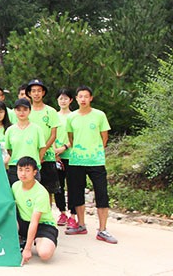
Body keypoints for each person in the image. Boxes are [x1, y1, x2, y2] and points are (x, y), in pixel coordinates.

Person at [65, 86, 117, 244]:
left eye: (86, 96)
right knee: (77, 193)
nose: (83, 99)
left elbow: (104, 138)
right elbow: (71, 137)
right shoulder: (71, 117)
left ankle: (102, 229)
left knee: (101, 193)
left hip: (96, 160)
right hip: (76, 160)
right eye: (80, 96)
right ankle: (81, 225)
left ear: (91, 98)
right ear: (76, 98)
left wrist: (95, 151)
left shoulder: (99, 115)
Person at [13, 156, 58, 265]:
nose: (23, 173)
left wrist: (28, 249)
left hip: (43, 225)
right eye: (20, 170)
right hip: (24, 222)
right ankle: (22, 238)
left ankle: (34, 241)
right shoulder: (15, 186)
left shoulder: (41, 193)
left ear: (34, 172)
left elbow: (35, 222)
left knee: (45, 254)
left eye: (27, 170)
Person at [26, 79, 61, 198]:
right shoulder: (26, 111)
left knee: (47, 191)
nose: (36, 94)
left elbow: (53, 135)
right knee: (30, 189)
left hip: (47, 156)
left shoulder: (51, 111)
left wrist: (42, 151)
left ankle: (47, 210)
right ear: (29, 93)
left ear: (43, 93)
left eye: (39, 91)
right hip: (30, 154)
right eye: (33, 91)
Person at [5, 98, 44, 186]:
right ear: (14, 111)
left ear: (30, 111)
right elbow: (9, 149)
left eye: (25, 109)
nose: (21, 112)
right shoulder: (10, 130)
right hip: (15, 168)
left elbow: (42, 148)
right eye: (18, 110)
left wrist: (36, 161)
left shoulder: (37, 129)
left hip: (32, 167)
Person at [54, 88, 77, 228]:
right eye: (60, 98)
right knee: (58, 186)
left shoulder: (74, 116)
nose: (63, 101)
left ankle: (73, 215)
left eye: (66, 98)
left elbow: (76, 136)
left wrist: (64, 147)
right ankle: (62, 212)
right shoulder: (53, 116)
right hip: (55, 156)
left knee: (73, 185)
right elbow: (50, 134)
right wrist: (54, 151)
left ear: (71, 100)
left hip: (71, 155)